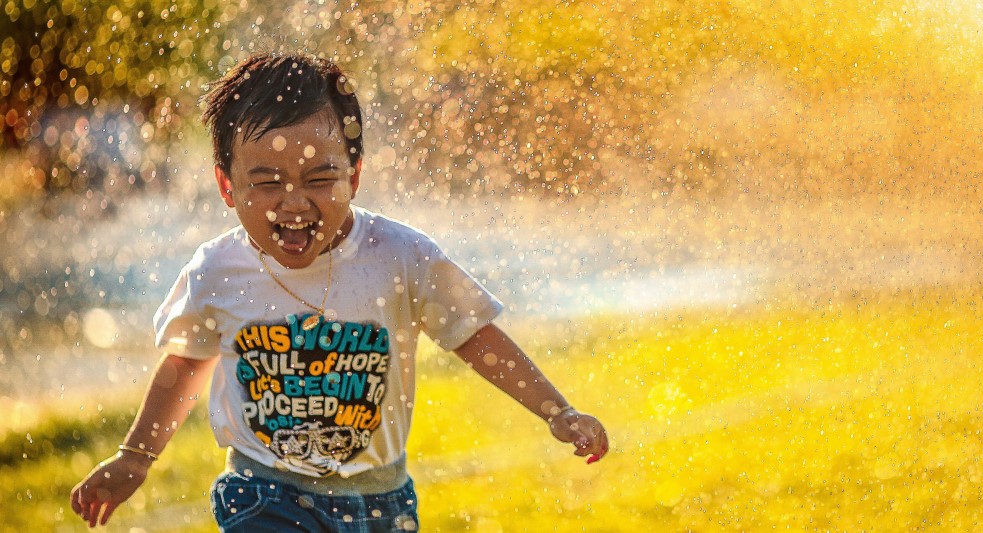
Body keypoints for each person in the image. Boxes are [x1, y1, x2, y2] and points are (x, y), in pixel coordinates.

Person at [70, 52, 609, 531]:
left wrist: (556, 410)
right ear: (227, 186)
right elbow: (186, 364)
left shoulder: (400, 256)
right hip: (263, 493)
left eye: (319, 178)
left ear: (355, 175)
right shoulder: (218, 270)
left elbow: (474, 336)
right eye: (267, 182)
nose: (295, 202)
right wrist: (136, 456)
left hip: (380, 502)